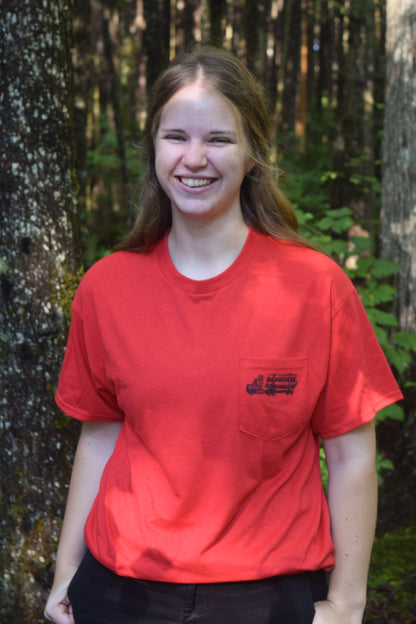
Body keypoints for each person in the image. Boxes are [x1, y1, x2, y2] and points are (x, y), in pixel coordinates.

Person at [44, 47, 403, 624]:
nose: (194, 159)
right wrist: (66, 574)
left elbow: (353, 454)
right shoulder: (106, 287)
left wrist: (347, 604)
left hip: (267, 595)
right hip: (120, 590)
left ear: (253, 152)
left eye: (218, 139)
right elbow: (99, 441)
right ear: (154, 149)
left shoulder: (317, 287)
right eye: (175, 137)